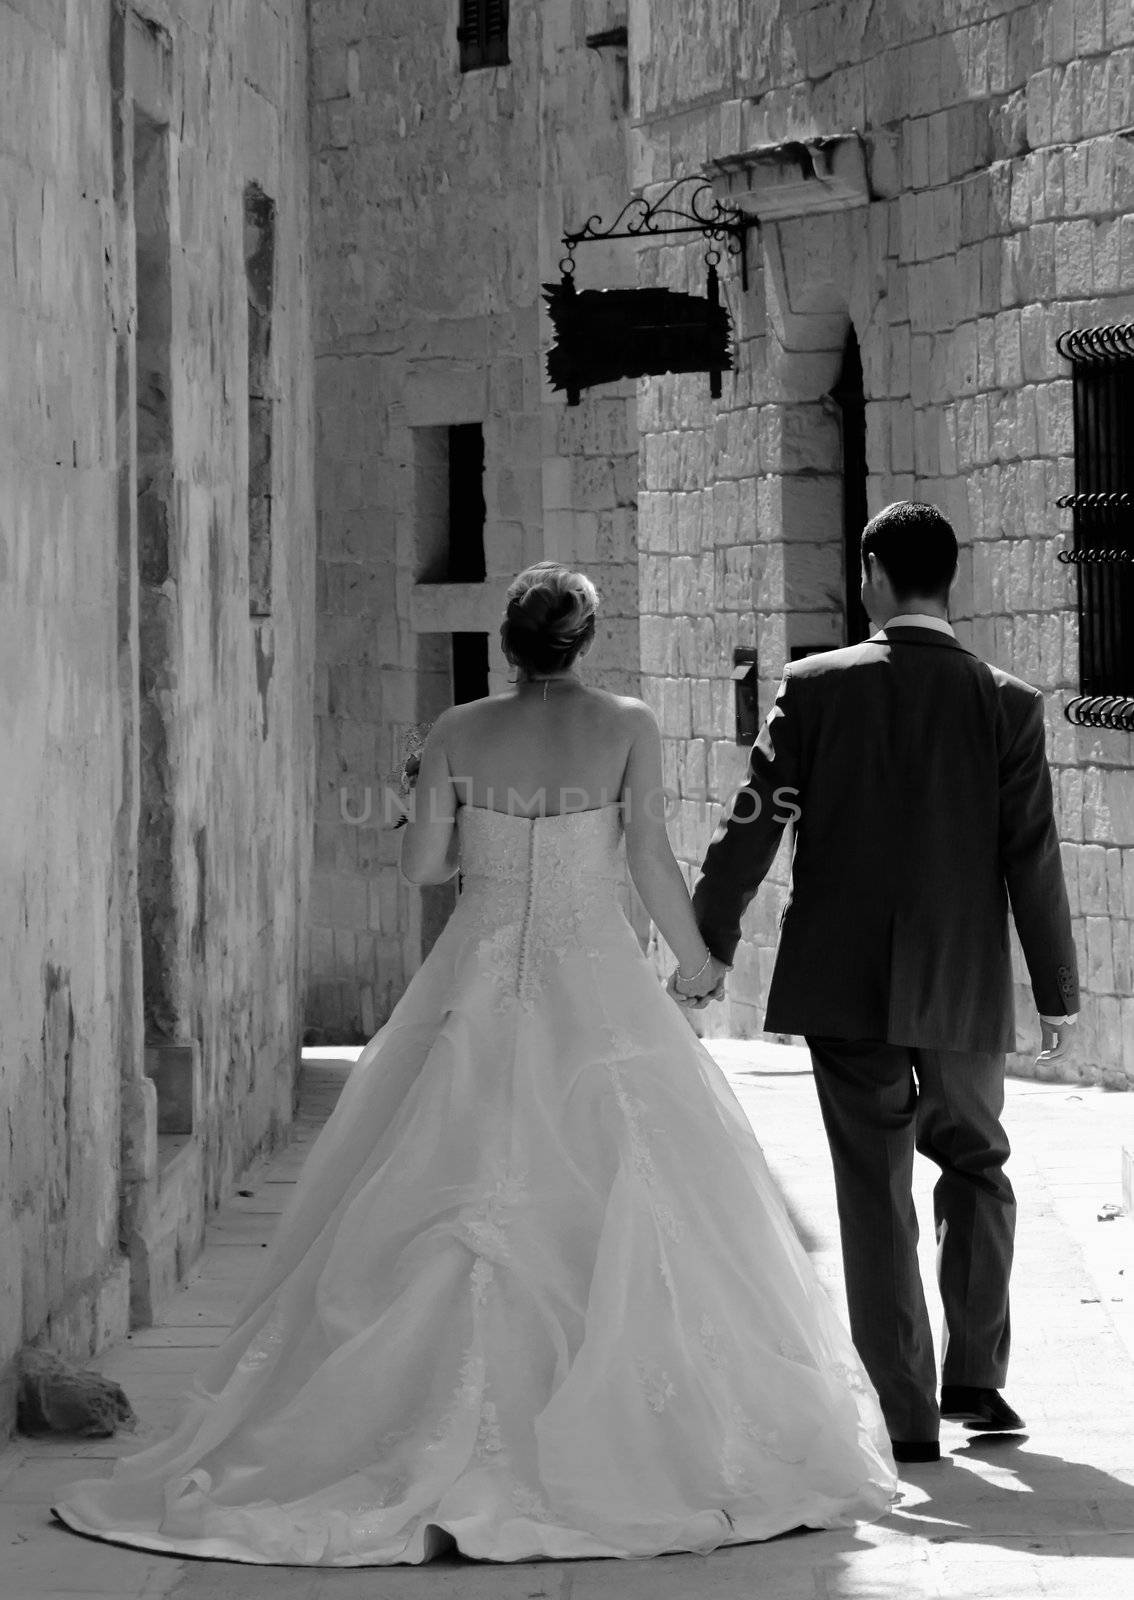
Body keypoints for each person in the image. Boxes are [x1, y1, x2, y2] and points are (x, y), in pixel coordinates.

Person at [52, 561, 897, 1565]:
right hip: (600, 982)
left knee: (435, 1181)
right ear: (582, 640)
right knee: (636, 1178)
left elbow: (423, 869)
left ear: (508, 642)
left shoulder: (457, 730)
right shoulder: (627, 722)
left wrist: (431, 804)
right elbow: (647, 856)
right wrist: (699, 960)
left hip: (478, 975)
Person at [684, 502, 1079, 1465]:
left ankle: (904, 1415)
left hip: (844, 975)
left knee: (874, 1187)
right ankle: (977, 1377)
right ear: (955, 579)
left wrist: (709, 945)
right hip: (962, 981)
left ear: (871, 573)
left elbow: (755, 824)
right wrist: (1057, 991)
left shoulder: (813, 690)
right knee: (977, 1161)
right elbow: (1031, 855)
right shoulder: (1009, 703)